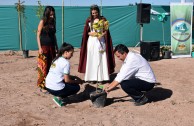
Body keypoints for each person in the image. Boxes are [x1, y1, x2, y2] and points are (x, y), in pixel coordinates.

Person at [78, 4, 115, 82]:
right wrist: (91, 34)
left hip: (100, 40)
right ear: (91, 13)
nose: (94, 14)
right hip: (91, 41)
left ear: (98, 12)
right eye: (93, 13)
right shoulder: (88, 20)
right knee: (92, 57)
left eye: (96, 12)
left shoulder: (103, 19)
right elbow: (86, 32)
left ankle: (101, 77)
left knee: (100, 57)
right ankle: (92, 77)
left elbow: (106, 31)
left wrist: (101, 35)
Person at [37, 6, 58, 91]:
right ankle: (42, 86)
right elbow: (38, 35)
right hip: (44, 47)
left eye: (53, 14)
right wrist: (39, 48)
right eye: (50, 14)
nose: (52, 16)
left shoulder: (53, 22)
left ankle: (49, 85)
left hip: (52, 47)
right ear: (47, 13)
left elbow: (54, 35)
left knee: (51, 66)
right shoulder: (42, 21)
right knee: (43, 67)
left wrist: (56, 46)